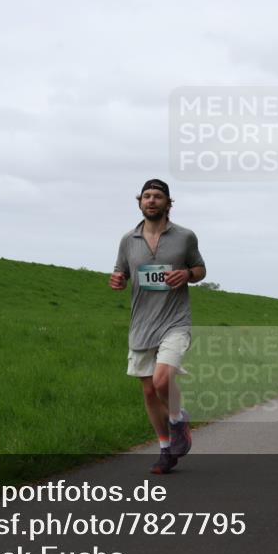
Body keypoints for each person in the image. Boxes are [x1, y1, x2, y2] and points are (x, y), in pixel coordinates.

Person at [110, 179, 206, 474]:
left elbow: (201, 270)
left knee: (162, 381)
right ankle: (165, 450)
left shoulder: (185, 237)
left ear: (168, 203)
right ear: (140, 202)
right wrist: (117, 280)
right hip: (141, 323)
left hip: (175, 321)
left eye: (158, 196)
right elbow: (120, 271)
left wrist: (187, 274)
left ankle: (178, 419)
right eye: (147, 196)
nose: (151, 201)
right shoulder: (129, 240)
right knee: (149, 392)